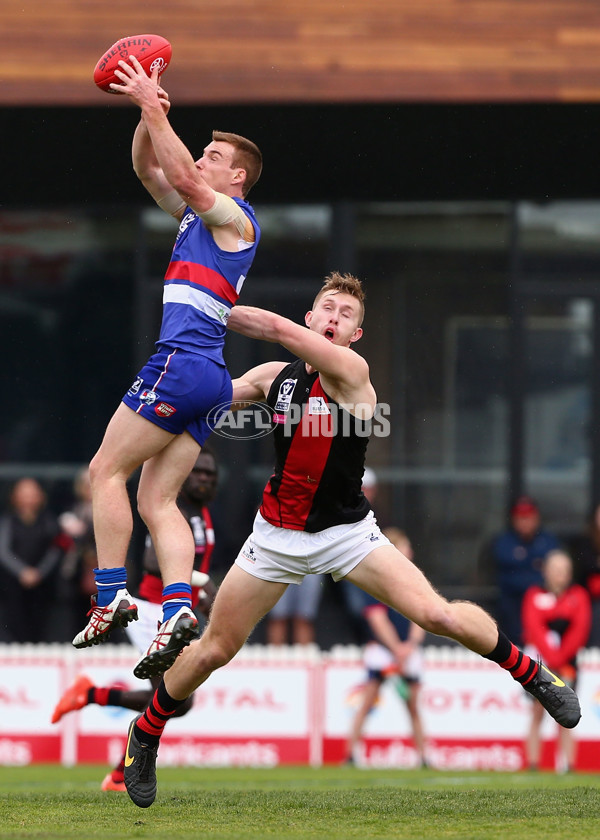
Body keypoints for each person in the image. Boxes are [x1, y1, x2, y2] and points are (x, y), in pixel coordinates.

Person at [119, 272, 581, 809]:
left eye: (347, 315)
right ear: (312, 317)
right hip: (275, 536)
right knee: (214, 651)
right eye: (327, 309)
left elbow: (271, 325)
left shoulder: (353, 374)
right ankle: (145, 735)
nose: (334, 318)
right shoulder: (275, 377)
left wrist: (204, 308)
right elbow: (210, 400)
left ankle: (532, 675)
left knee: (440, 616)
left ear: (355, 335)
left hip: (347, 534)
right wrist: (155, 411)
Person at [71, 53, 262, 679]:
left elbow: (180, 176)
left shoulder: (235, 219)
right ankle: (177, 605)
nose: (202, 158)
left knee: (104, 471)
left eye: (213, 156)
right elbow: (149, 167)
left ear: (238, 179)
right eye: (202, 150)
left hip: (180, 364)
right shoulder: (195, 214)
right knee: (158, 499)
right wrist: (146, 115)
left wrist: (153, 102)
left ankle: (110, 594)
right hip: (207, 377)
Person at [52, 449, 219, 791]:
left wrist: (199, 593)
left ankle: (93, 698)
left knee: (175, 701)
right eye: (198, 472)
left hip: (173, 615)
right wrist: (203, 584)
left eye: (211, 474)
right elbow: (153, 561)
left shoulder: (200, 512)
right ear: (183, 474)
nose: (204, 478)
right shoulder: (173, 511)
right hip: (154, 614)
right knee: (175, 700)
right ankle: (118, 773)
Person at [344, 528, 427, 768]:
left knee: (413, 707)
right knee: (367, 703)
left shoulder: (415, 582)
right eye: (406, 547)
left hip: (406, 652)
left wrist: (409, 646)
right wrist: (396, 649)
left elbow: (421, 618)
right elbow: (378, 620)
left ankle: (423, 756)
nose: (411, 552)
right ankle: (350, 754)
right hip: (383, 652)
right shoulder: (378, 583)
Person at [522, 549, 591, 773]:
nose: (560, 574)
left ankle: (569, 764)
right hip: (541, 665)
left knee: (568, 713)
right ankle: (533, 763)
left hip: (567, 665)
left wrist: (560, 660)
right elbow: (534, 628)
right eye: (555, 569)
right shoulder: (534, 594)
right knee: (536, 712)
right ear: (546, 571)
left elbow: (579, 631)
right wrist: (550, 661)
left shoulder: (578, 595)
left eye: (564, 570)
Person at [489, 496, 561, 647]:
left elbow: (554, 574)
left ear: (536, 518)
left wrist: (524, 569)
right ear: (513, 519)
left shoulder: (548, 540)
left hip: (543, 607)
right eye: (521, 517)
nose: (525, 522)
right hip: (513, 605)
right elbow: (508, 576)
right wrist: (534, 569)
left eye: (528, 517)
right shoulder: (504, 541)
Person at [0, 478, 65, 642]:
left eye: (32, 494)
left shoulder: (50, 522)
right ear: (14, 497)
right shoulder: (8, 521)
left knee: (41, 624)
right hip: (13, 585)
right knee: (15, 622)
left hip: (42, 585)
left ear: (40, 497)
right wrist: (22, 571)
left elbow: (56, 549)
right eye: (24, 494)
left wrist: (39, 573)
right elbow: (3, 551)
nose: (28, 498)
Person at [265, 574, 323, 645]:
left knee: (304, 618)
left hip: (310, 569)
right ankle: (275, 654)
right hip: (280, 567)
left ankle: (304, 654)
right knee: (278, 617)